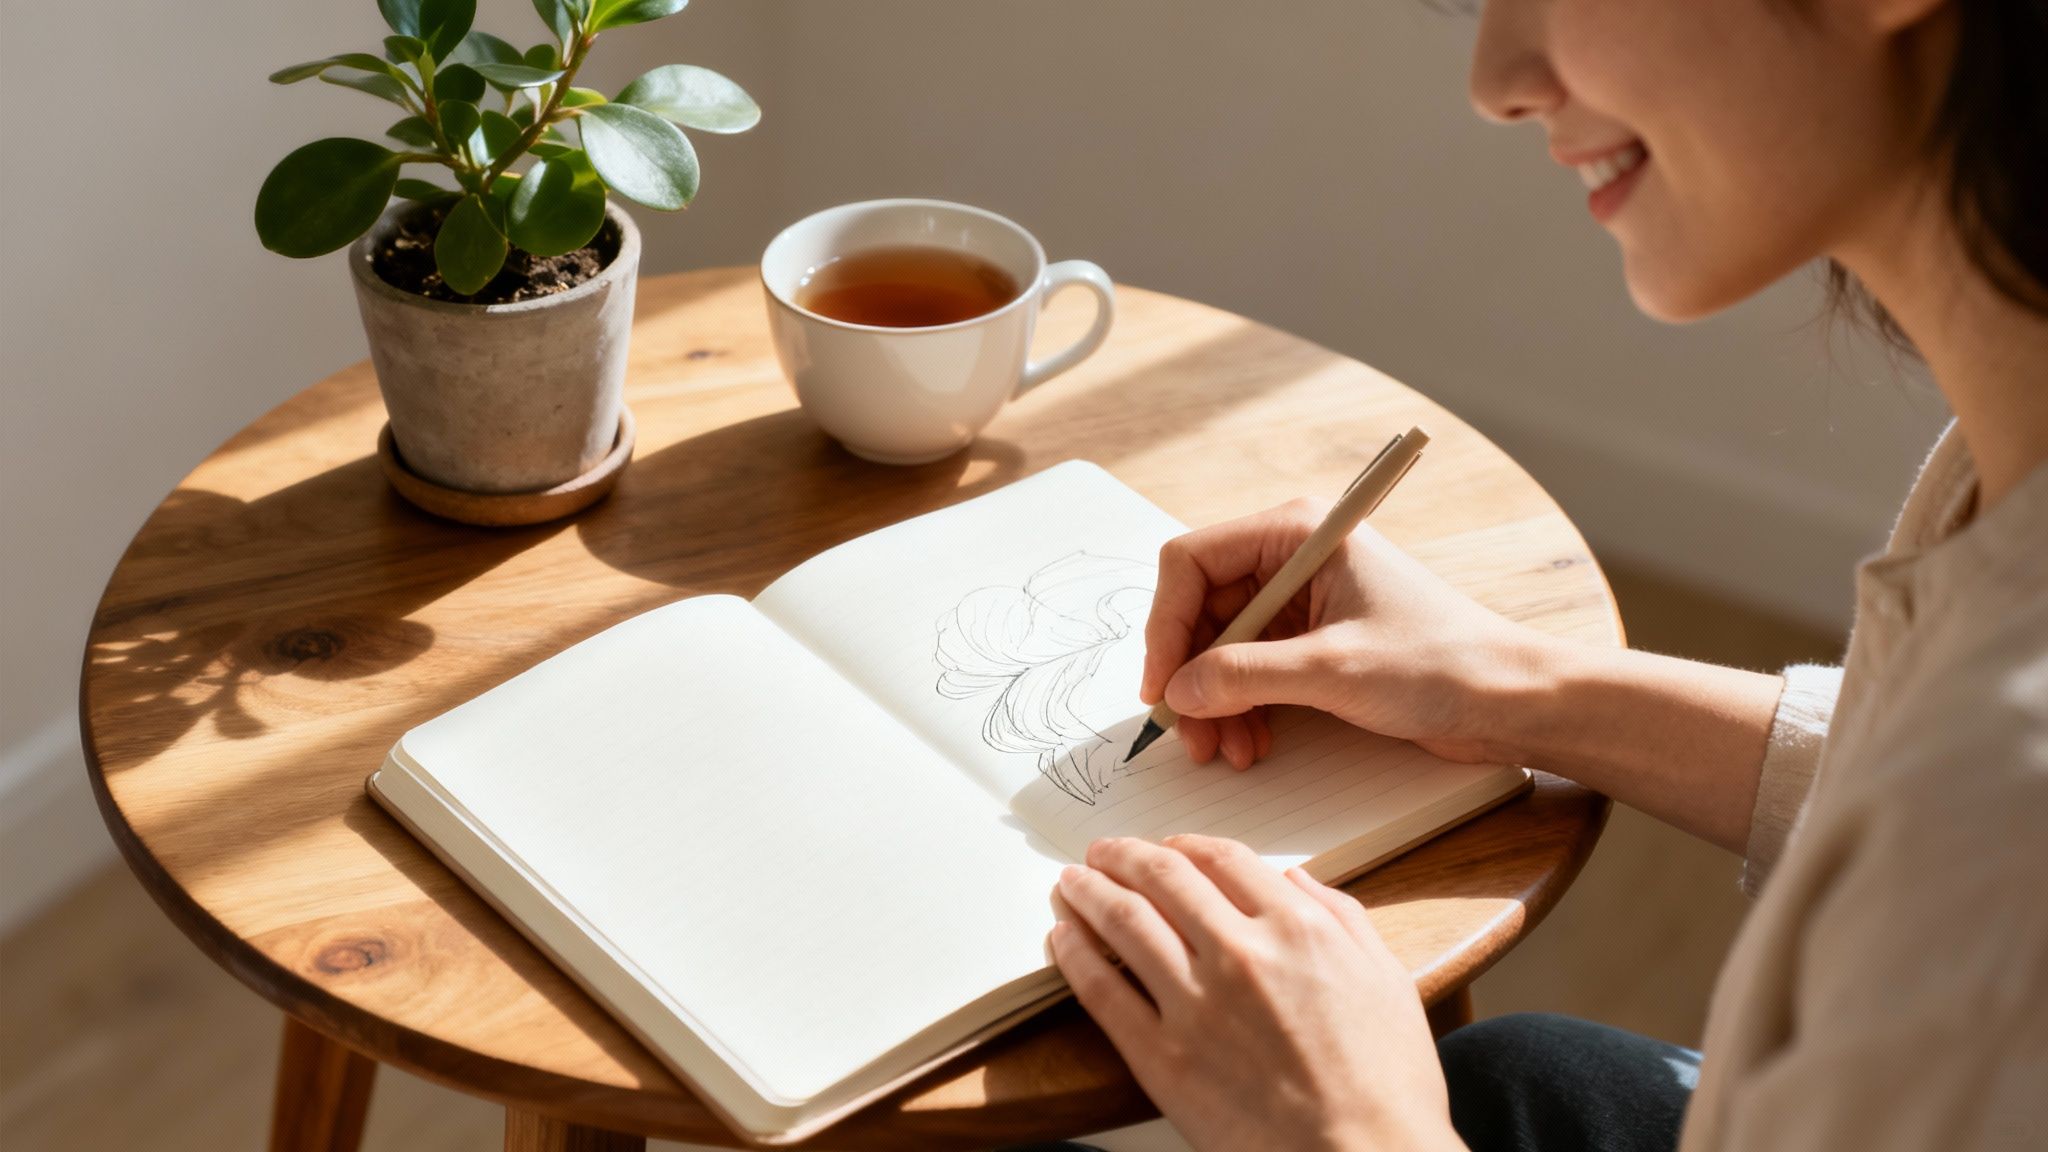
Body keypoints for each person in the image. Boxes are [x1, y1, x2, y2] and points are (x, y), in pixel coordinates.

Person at [1040, 0, 2048, 1149]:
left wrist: (1352, 1129)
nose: (1495, 80)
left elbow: (1966, 824)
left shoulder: (1994, 840)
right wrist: (1508, 683)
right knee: (1520, 1075)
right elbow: (1909, 767)